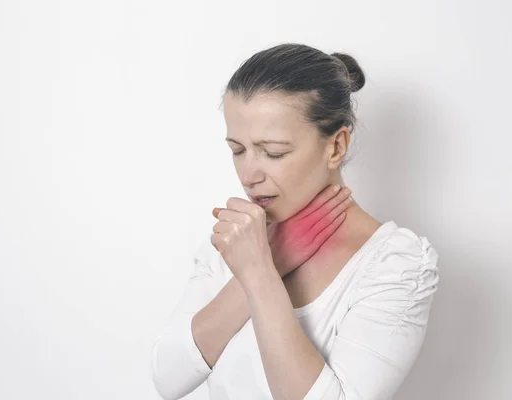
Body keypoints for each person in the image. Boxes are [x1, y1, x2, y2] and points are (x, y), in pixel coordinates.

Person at [151, 43, 439, 400]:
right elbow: (168, 376)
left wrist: (260, 274)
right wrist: (269, 260)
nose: (247, 174)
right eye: (237, 150)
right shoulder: (239, 238)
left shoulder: (394, 264)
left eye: (273, 152)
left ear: (336, 146)